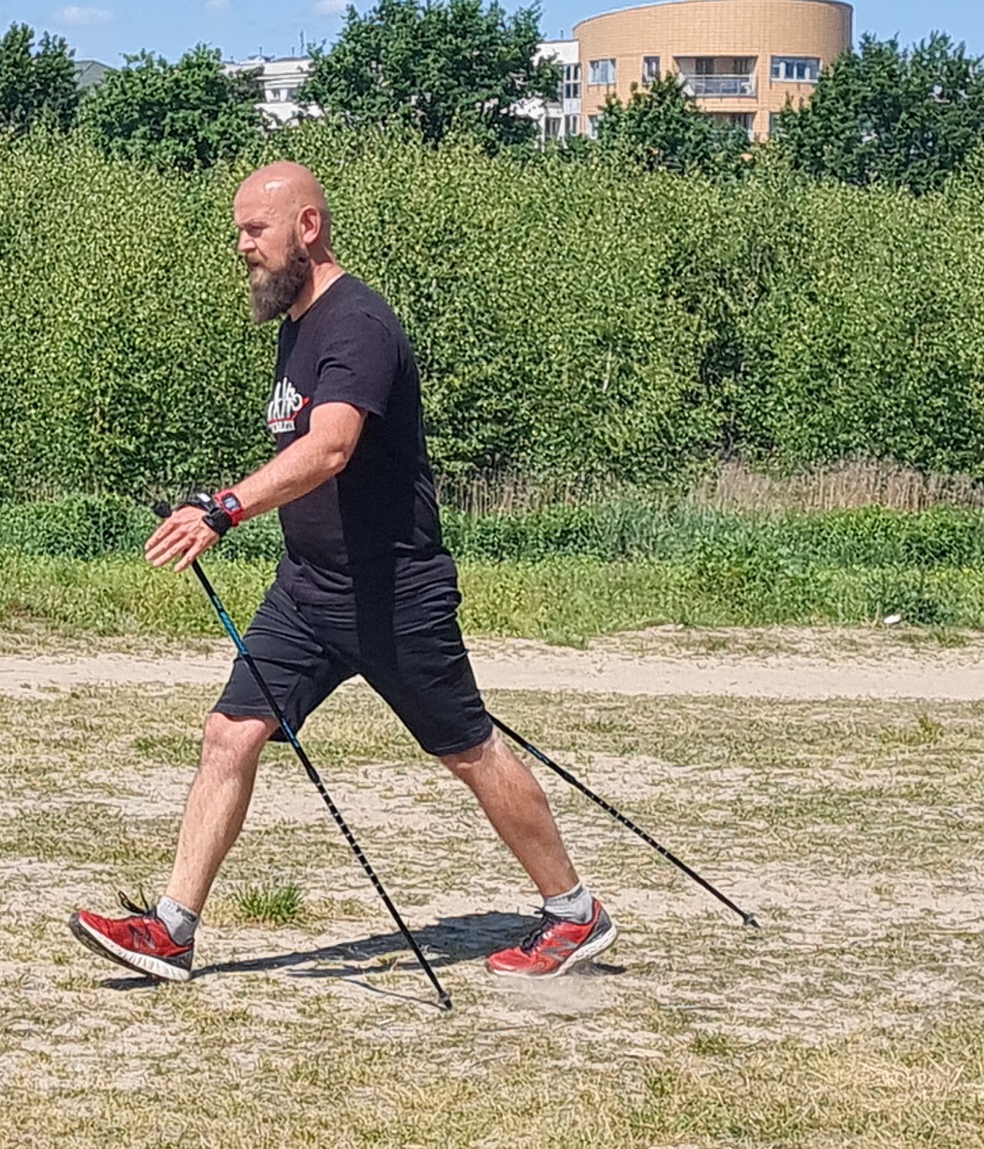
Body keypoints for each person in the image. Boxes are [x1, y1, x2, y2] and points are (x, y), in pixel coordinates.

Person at [68, 161, 613, 984]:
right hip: (308, 589)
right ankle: (171, 931)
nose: (242, 245)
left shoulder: (358, 323)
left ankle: (573, 911)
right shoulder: (297, 327)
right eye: (239, 230)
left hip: (392, 593)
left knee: (468, 751)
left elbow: (329, 448)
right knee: (230, 732)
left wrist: (223, 508)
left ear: (308, 227)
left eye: (255, 229)